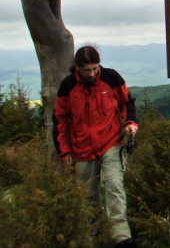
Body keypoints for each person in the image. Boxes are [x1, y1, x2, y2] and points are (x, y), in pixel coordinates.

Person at [53, 45, 138, 248]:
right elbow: (59, 120)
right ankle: (92, 238)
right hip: (81, 148)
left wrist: (130, 124)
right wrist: (63, 152)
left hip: (111, 142)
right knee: (88, 196)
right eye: (87, 70)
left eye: (94, 68)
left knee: (114, 187)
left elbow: (126, 102)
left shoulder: (111, 78)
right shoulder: (68, 85)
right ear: (77, 68)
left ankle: (121, 239)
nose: (92, 73)